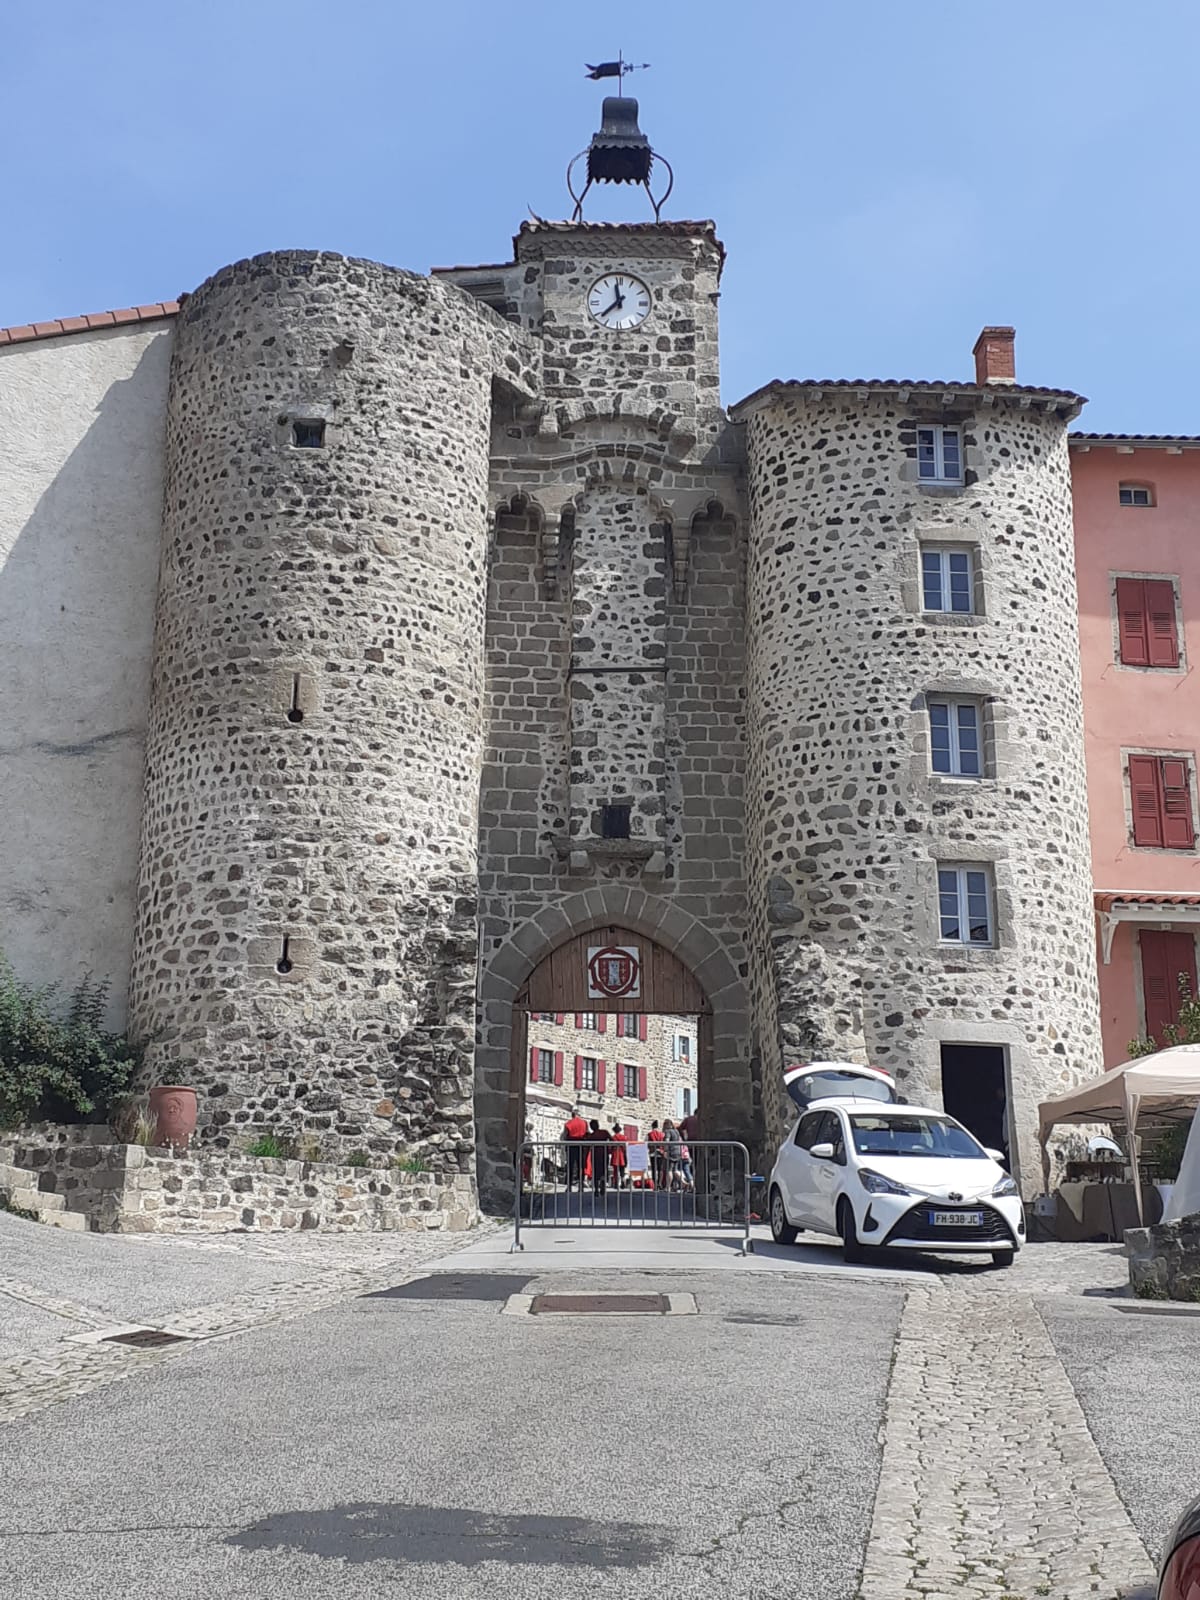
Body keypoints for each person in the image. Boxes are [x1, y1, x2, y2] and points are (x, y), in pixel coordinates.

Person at [562, 1106, 588, 1191]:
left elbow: (565, 1135)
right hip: (582, 1145)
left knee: (570, 1166)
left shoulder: (568, 1123)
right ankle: (581, 1186)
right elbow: (587, 1133)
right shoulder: (584, 1122)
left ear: (572, 1114)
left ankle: (569, 1186)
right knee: (581, 1166)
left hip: (571, 1144)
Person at [588, 1118, 611, 1197]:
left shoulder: (591, 1136)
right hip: (604, 1154)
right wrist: (609, 1148)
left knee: (595, 1172)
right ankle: (603, 1185)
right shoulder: (604, 1132)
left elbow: (587, 1144)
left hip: (595, 1155)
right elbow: (612, 1140)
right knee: (604, 1171)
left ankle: (596, 1189)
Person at [663, 1118, 683, 1192]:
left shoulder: (668, 1131)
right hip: (678, 1151)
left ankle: (668, 1187)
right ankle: (684, 1183)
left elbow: (667, 1141)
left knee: (669, 1170)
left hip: (671, 1152)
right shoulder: (676, 1131)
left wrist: (665, 1150)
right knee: (675, 1170)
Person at [647, 1119, 666, 1189]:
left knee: (654, 1169)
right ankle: (659, 1183)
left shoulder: (649, 1134)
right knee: (660, 1169)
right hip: (660, 1153)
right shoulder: (662, 1134)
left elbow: (646, 1143)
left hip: (652, 1153)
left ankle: (655, 1185)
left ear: (652, 1126)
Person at [610, 1122, 628, 1188]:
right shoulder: (624, 1137)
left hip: (615, 1155)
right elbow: (625, 1147)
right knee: (622, 1170)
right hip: (622, 1155)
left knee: (615, 1171)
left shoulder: (613, 1138)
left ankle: (616, 1183)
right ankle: (623, 1181)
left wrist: (610, 1152)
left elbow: (610, 1147)